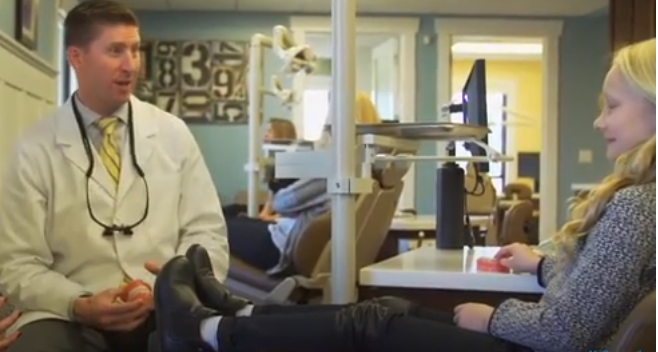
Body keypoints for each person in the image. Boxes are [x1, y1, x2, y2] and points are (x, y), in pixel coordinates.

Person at [151, 38, 655, 352]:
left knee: (375, 322)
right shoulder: (643, 200)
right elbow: (604, 290)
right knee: (386, 306)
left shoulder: (636, 206)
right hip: (547, 336)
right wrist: (541, 266)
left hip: (544, 344)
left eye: (611, 106)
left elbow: (569, 332)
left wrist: (493, 315)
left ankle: (204, 333)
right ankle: (236, 314)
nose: (598, 120)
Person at [0, 0, 229, 352]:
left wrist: (172, 288)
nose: (131, 65)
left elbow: (207, 233)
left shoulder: (173, 133)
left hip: (163, 303)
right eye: (115, 51)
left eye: (135, 50)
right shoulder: (34, 147)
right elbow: (18, 263)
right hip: (67, 312)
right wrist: (80, 303)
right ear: (76, 57)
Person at [227, 92, 382, 273]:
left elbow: (282, 203)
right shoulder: (368, 169)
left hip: (285, 246)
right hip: (299, 237)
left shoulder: (338, 165)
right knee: (232, 214)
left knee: (217, 226)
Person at [221, 117, 299, 219]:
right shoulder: (273, 162)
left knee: (233, 222)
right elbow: (272, 195)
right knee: (230, 210)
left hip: (286, 216)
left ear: (281, 134)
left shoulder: (292, 166)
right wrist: (263, 214)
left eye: (270, 131)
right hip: (275, 210)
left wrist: (270, 218)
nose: (266, 135)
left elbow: (294, 205)